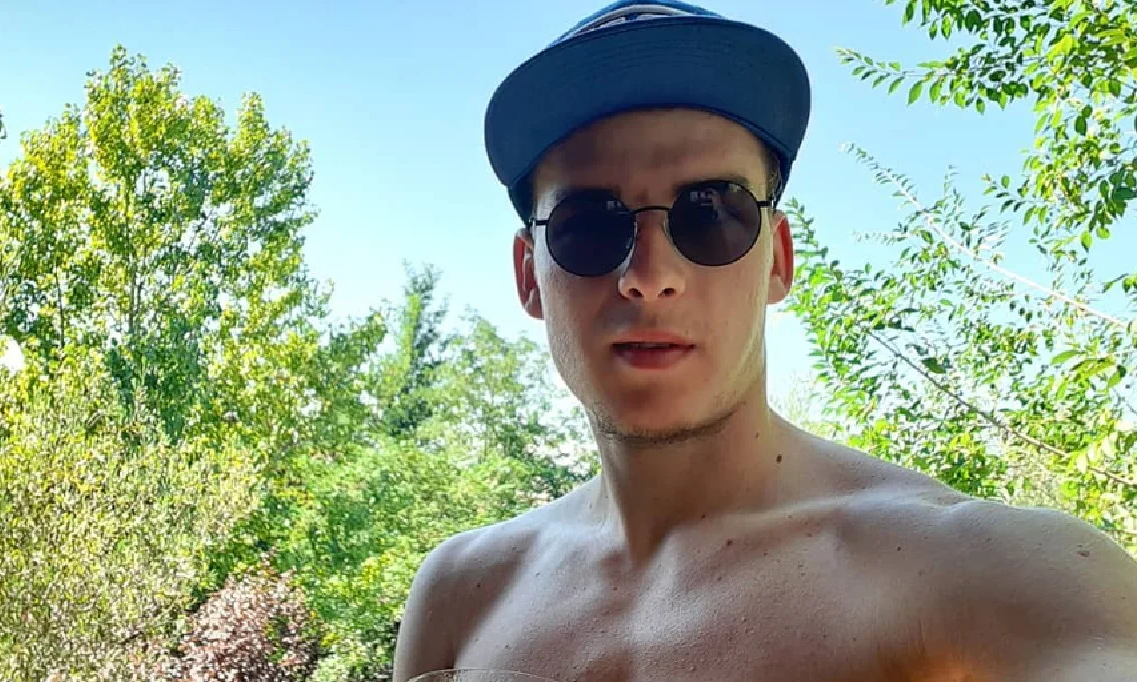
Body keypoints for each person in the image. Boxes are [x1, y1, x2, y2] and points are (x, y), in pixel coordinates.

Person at [393, 2, 1137, 680]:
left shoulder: (976, 571)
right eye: (589, 225)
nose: (649, 277)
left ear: (778, 259)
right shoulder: (462, 596)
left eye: (710, 214)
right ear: (529, 275)